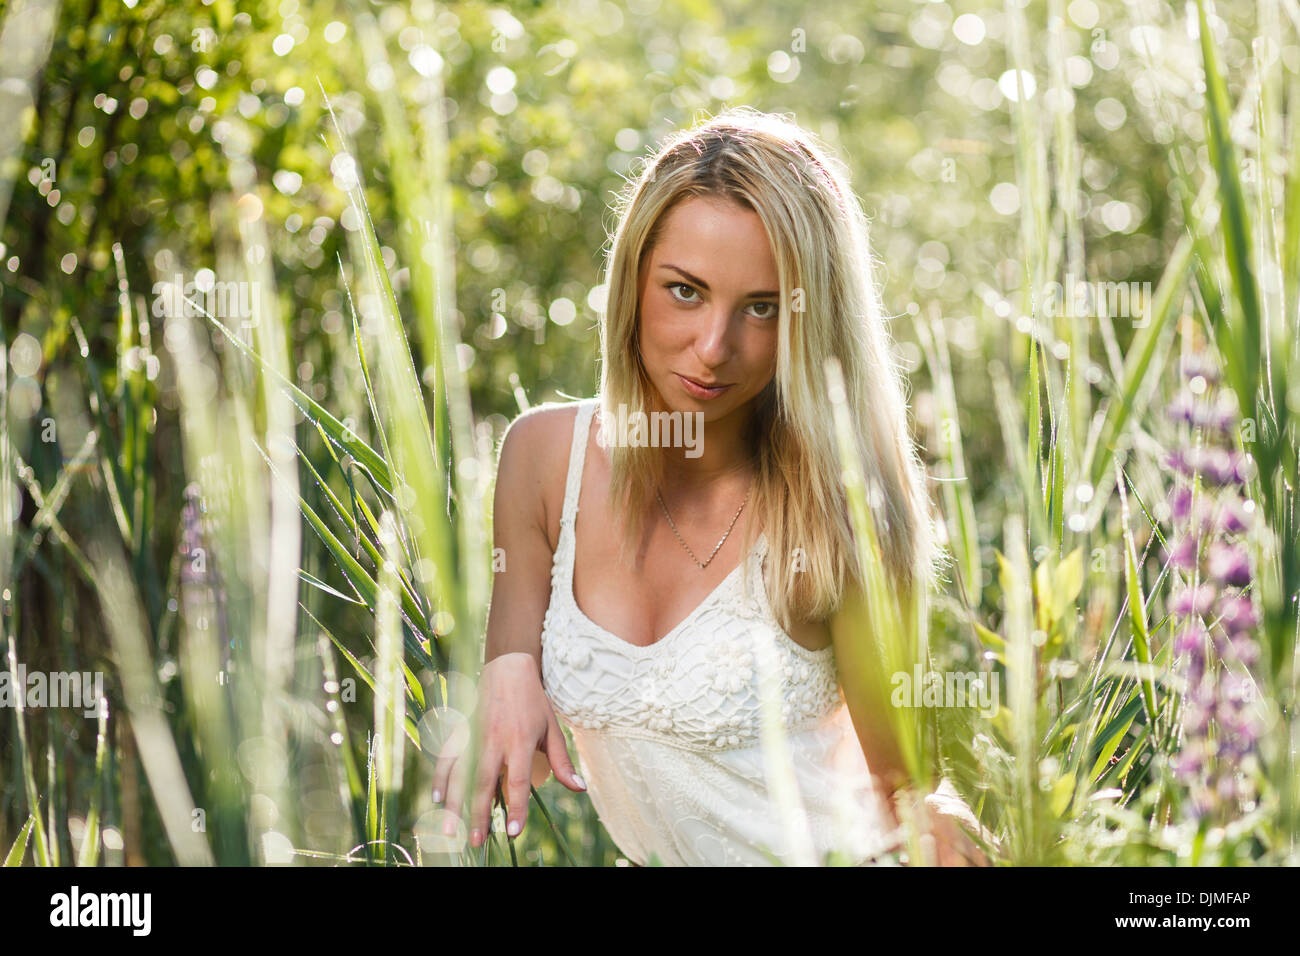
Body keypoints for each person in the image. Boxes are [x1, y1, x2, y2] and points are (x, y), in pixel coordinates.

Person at [432, 106, 989, 866]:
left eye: (760, 308)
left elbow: (906, 793)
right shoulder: (541, 460)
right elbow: (515, 713)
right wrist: (502, 684)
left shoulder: (836, 513)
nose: (713, 347)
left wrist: (946, 814)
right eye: (685, 291)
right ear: (632, 277)